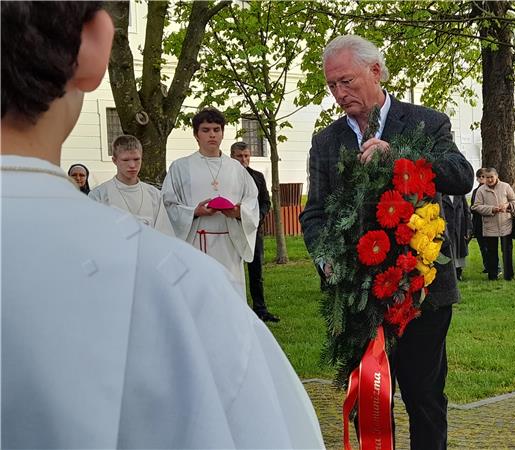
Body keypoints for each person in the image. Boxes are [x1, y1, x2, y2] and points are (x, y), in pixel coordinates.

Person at [0, 3, 323, 448]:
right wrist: (192, 215)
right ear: (96, 46)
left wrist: (234, 212)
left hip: (226, 243)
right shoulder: (180, 292)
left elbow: (249, 202)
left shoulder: (189, 260)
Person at [298, 34, 473, 450]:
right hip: (357, 298)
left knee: (424, 399)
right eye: (332, 86)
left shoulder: (426, 122)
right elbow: (315, 213)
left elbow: (461, 175)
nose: (340, 94)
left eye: (347, 82)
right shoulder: (326, 141)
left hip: (420, 292)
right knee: (369, 401)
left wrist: (400, 156)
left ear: (375, 71)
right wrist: (325, 257)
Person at [161, 107, 260, 298]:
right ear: (196, 134)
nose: (212, 135)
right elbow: (168, 205)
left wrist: (239, 212)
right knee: (198, 297)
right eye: (205, 130)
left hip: (229, 245)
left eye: (216, 129)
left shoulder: (236, 168)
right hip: (196, 242)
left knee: (228, 297)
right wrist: (194, 211)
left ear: (223, 133)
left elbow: (252, 200)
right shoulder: (181, 167)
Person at [230, 142, 280, 323]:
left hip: (254, 231)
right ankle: (233, 308)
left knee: (256, 272)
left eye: (246, 156)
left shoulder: (258, 177)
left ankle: (260, 310)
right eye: (239, 156)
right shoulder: (226, 178)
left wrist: (258, 217)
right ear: (232, 157)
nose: (243, 160)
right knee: (232, 270)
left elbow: (266, 201)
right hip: (231, 229)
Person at [88, 135, 174, 236]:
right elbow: (94, 233)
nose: (132, 165)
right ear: (114, 160)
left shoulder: (153, 194)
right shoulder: (99, 195)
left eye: (136, 159)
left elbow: (164, 234)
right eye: (125, 160)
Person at [471, 167, 515, 281]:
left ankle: (509, 275)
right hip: (489, 225)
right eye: (487, 177)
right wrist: (492, 209)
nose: (490, 179)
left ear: (497, 176)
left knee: (507, 251)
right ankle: (492, 276)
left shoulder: (505, 186)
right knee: (491, 252)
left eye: (492, 177)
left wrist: (507, 206)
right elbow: (476, 206)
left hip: (505, 224)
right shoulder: (481, 190)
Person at [443, 193, 472, 281]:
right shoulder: (440, 195)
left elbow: (467, 211)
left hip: (459, 227)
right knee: (447, 251)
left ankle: (458, 272)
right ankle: (448, 274)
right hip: (445, 228)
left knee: (459, 250)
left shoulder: (460, 194)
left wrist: (468, 229)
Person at [470, 168, 494, 274]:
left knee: (490, 246)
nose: (482, 179)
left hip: (489, 220)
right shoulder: (476, 191)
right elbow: (473, 207)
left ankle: (494, 266)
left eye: (484, 176)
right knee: (482, 246)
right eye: (480, 177)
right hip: (478, 221)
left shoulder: (490, 190)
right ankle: (487, 265)